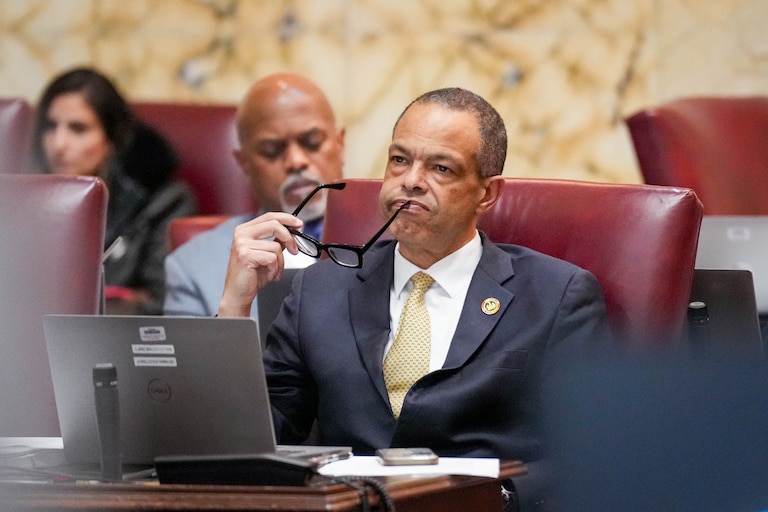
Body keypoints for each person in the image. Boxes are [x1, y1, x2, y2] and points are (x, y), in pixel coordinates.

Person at [218, 87, 614, 510]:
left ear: (487, 193)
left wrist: (491, 499)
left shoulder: (556, 296)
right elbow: (254, 440)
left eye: (440, 168)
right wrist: (233, 309)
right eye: (400, 160)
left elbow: (593, 456)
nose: (410, 181)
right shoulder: (320, 290)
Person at [163, 73, 345, 317]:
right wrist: (233, 307)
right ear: (244, 164)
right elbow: (192, 356)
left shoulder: (394, 238)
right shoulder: (193, 265)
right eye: (272, 150)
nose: (296, 161)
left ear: (340, 146)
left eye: (311, 142)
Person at [31, 67, 197, 315]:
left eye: (78, 129)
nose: (58, 144)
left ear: (111, 138)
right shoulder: (24, 198)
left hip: (121, 344)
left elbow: (164, 302)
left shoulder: (162, 200)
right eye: (50, 126)